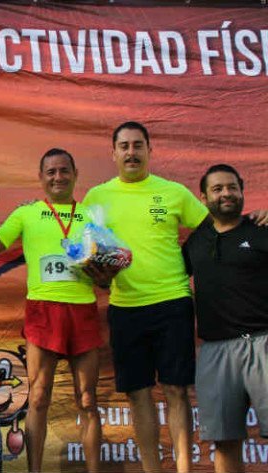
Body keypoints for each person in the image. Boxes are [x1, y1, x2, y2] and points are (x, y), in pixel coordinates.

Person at [81, 121, 211, 472]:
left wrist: (189, 265)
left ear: (150, 151)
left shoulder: (174, 192)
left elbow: (212, 230)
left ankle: (183, 468)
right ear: (113, 153)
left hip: (173, 302)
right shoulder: (96, 197)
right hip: (125, 308)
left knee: (176, 391)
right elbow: (87, 253)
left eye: (138, 145)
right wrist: (102, 277)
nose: (131, 152)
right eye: (124, 146)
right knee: (138, 394)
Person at [0, 149, 103, 473]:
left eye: (64, 171)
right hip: (43, 310)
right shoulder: (28, 213)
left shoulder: (92, 216)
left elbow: (107, 270)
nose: (58, 177)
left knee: (88, 400)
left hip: (83, 310)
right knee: (38, 397)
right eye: (51, 172)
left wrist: (103, 270)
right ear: (41, 177)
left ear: (75, 174)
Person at [182, 164, 268, 473]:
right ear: (203, 197)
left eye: (232, 187)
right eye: (217, 189)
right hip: (215, 350)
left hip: (263, 343)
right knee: (225, 441)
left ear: (243, 192)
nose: (226, 194)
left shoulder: (261, 229)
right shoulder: (195, 242)